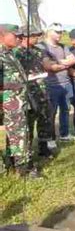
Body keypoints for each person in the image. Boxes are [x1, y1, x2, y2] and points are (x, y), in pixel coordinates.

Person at [0, 24, 39, 177]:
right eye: (15, 35)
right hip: (9, 102)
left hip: (16, 101)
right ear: (3, 35)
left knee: (16, 134)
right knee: (19, 133)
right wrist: (13, 85)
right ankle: (24, 169)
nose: (19, 38)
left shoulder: (9, 53)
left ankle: (12, 162)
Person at [15, 25, 57, 158]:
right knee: (28, 123)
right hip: (27, 94)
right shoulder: (17, 52)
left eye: (37, 35)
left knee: (44, 119)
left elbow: (47, 64)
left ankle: (44, 148)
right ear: (24, 36)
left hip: (42, 91)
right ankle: (26, 152)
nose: (36, 38)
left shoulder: (39, 50)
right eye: (33, 36)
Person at [42, 23, 75, 141]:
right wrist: (63, 64)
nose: (60, 34)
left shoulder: (63, 46)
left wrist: (58, 63)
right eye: (57, 32)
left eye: (61, 32)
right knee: (51, 113)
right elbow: (50, 67)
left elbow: (73, 60)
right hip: (51, 86)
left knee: (65, 110)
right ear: (50, 32)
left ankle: (64, 134)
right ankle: (50, 138)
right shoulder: (43, 47)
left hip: (66, 83)